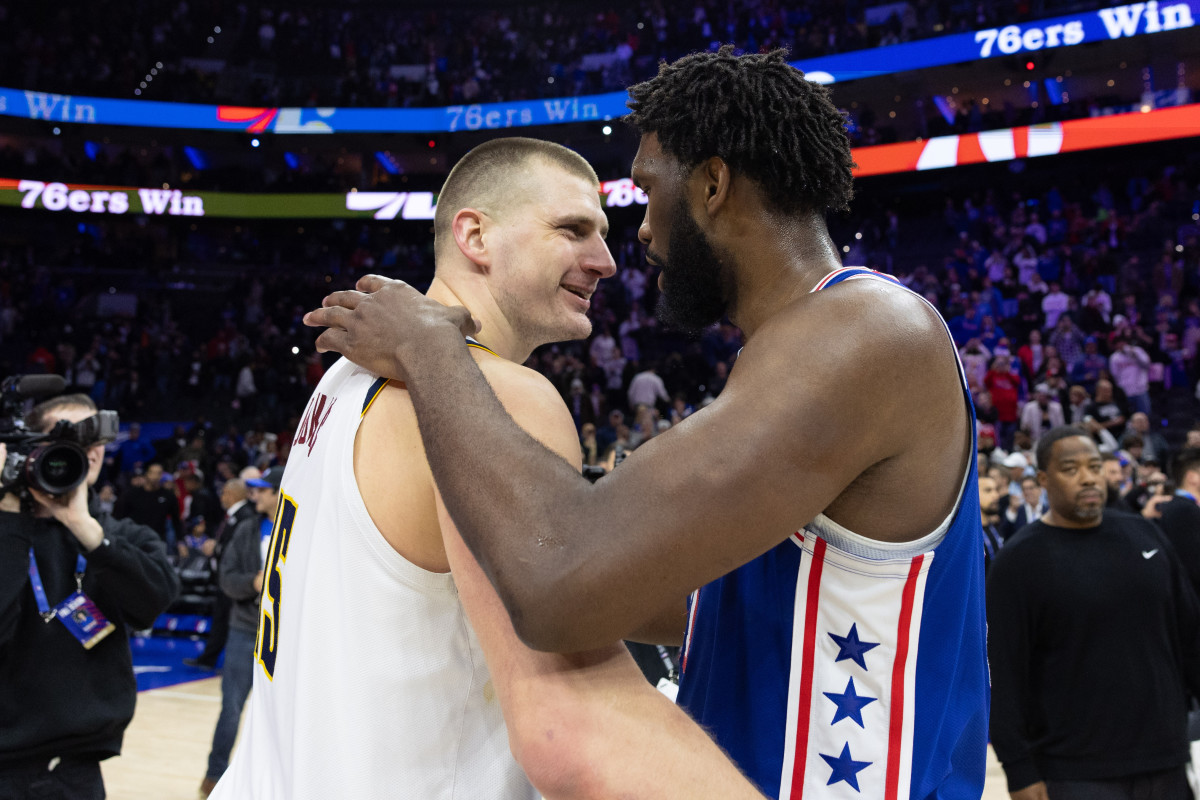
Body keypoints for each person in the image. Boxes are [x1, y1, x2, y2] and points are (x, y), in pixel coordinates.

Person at [307, 48, 988, 798]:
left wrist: (434, 347)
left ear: (713, 184)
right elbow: (688, 598)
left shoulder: (868, 330)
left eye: (647, 189)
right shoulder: (791, 361)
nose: (636, 235)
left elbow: (560, 586)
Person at [213, 137, 761, 800]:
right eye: (572, 230)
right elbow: (568, 724)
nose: (607, 261)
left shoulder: (343, 377)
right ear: (475, 234)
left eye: (605, 234)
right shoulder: (498, 394)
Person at [987, 427, 1200, 800]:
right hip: (1074, 770)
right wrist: (1019, 769)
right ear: (1042, 480)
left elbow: (1192, 638)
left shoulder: (1146, 535)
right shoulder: (1018, 562)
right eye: (1070, 468)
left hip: (1165, 759)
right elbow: (1003, 674)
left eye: (1095, 466)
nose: (1087, 477)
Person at [0, 394, 178, 798]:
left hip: (77, 774)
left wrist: (85, 527)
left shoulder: (121, 535)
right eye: (70, 435)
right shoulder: (5, 531)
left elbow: (152, 603)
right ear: (27, 447)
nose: (89, 449)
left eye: (96, 437)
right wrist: (9, 513)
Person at [199, 478, 263, 796]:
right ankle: (214, 776)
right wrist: (254, 584)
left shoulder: (300, 526)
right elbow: (228, 578)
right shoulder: (247, 529)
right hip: (244, 628)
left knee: (281, 712)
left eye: (264, 490)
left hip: (283, 634)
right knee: (232, 707)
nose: (257, 495)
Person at [977, 472, 1006, 572]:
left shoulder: (994, 527)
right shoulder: (971, 536)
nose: (996, 495)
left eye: (996, 490)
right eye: (988, 490)